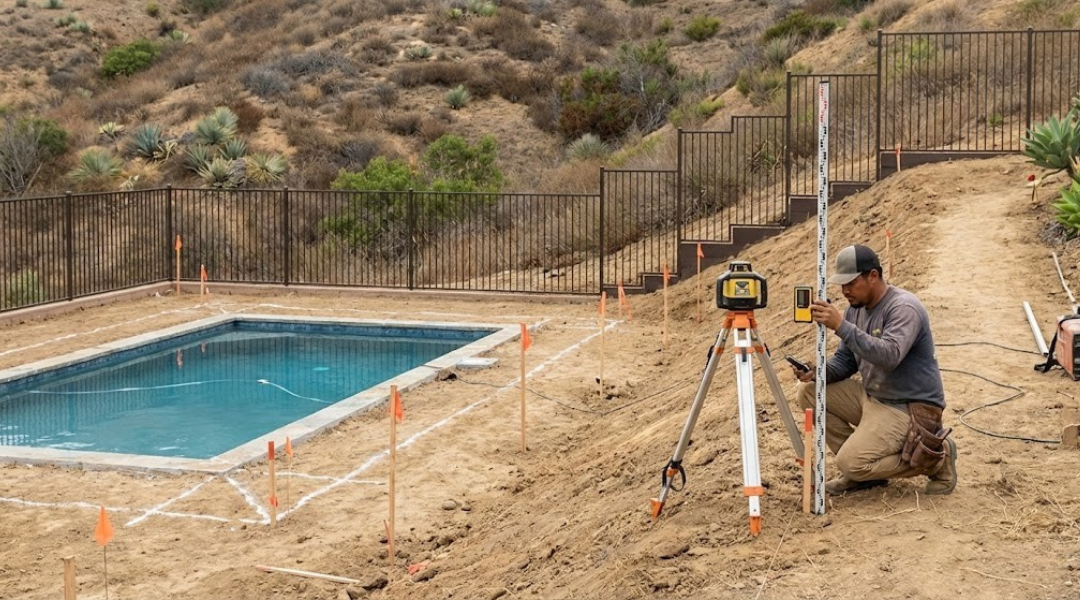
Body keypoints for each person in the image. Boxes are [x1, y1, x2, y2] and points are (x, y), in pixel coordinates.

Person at [791, 244, 957, 495]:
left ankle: (936, 457)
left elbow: (890, 356)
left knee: (849, 463)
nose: (845, 291)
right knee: (808, 392)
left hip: (906, 407)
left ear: (873, 276)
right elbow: (846, 361)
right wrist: (817, 372)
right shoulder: (855, 310)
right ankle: (867, 473)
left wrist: (840, 326)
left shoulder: (903, 308)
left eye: (851, 283)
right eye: (842, 285)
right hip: (873, 397)